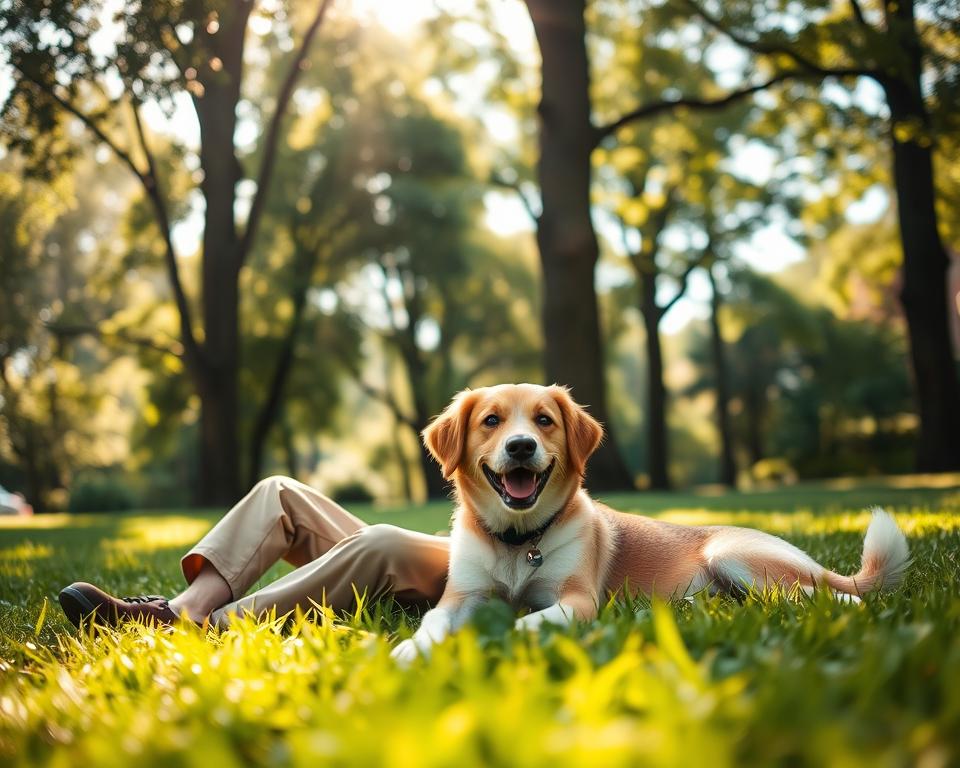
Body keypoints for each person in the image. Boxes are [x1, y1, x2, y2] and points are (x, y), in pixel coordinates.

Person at [58, 476, 451, 628]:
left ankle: (212, 627)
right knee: (278, 493)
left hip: (500, 566)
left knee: (381, 543)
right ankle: (182, 610)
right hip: (461, 548)